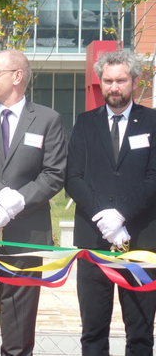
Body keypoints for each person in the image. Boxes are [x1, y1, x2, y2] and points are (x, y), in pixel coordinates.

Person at [0, 50, 66, 356]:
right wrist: (0, 194)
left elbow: (55, 173)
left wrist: (18, 200)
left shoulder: (48, 119)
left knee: (19, 331)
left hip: (26, 235)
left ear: (17, 76)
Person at [65, 50, 156, 356]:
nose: (114, 87)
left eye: (120, 81)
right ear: (100, 83)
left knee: (141, 333)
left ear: (134, 81)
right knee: (92, 331)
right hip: (93, 241)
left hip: (141, 241)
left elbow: (153, 178)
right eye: (107, 81)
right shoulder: (85, 123)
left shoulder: (152, 122)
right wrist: (104, 217)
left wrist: (122, 215)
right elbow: (74, 177)